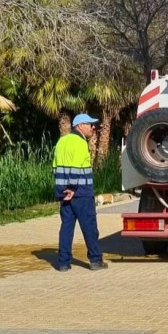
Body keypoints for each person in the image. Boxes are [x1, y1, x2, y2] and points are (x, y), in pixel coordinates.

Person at [53, 113, 107, 272]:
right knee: (90, 227)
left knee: (66, 228)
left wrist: (63, 190)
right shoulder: (80, 143)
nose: (93, 127)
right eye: (90, 124)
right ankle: (95, 260)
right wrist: (72, 188)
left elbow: (55, 168)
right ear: (80, 126)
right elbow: (76, 168)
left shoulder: (61, 141)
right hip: (80, 193)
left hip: (64, 193)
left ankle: (63, 263)